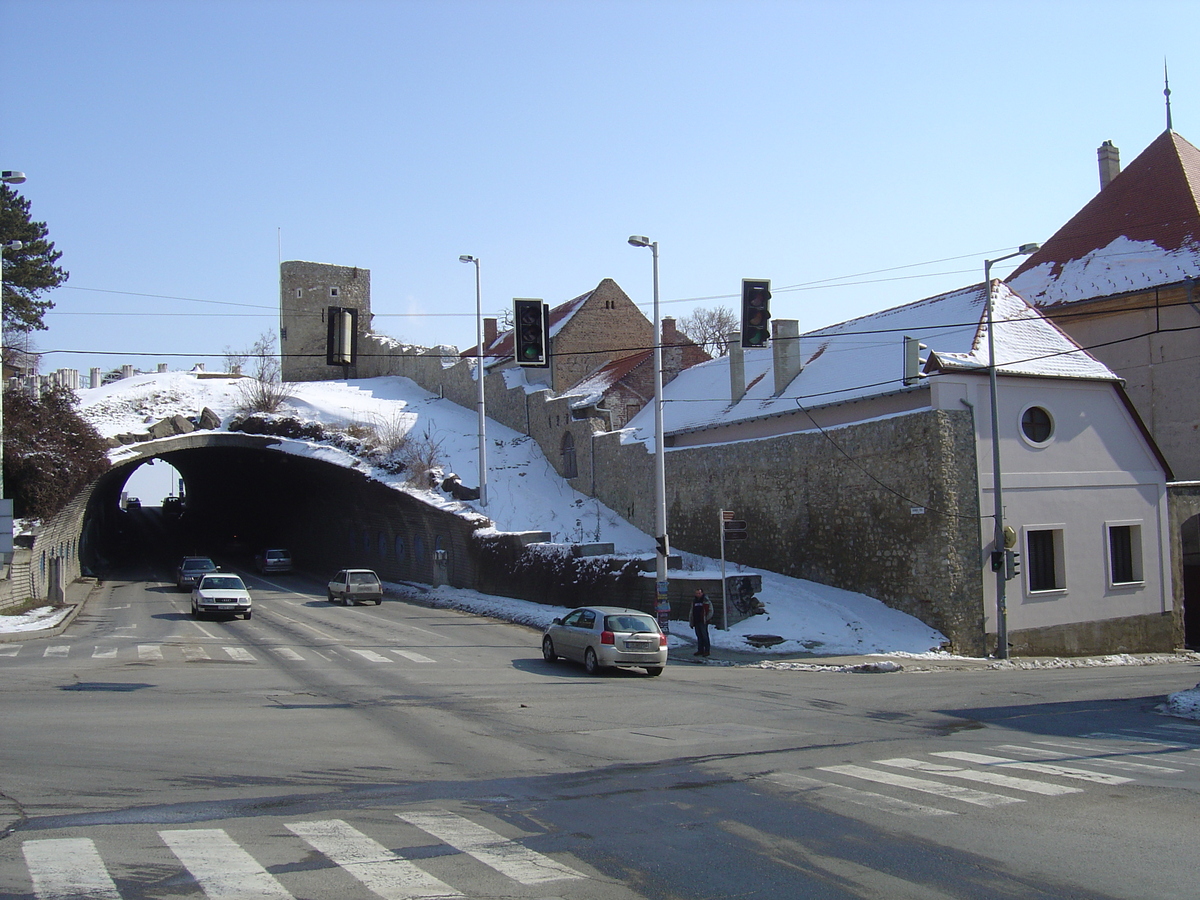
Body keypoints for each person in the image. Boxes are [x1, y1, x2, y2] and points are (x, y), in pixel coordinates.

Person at [689, 588, 713, 657]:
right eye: (696, 593)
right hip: (696, 621)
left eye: (699, 593)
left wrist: (706, 618)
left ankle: (707, 650)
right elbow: (691, 611)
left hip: (703, 621)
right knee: (699, 636)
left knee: (705, 636)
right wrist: (691, 621)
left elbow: (711, 610)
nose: (698, 595)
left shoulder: (706, 600)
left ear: (702, 593)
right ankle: (700, 650)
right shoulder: (694, 601)